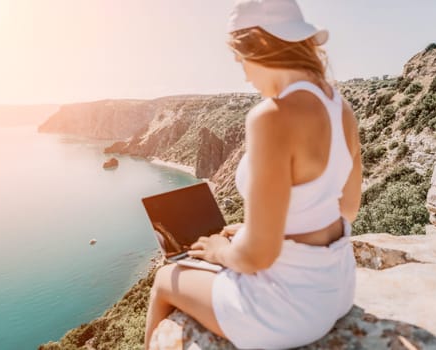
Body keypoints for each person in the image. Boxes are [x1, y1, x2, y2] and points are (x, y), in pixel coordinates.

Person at [144, 0, 362, 348]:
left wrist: (219, 250)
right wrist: (259, 230)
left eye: (240, 60)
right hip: (337, 288)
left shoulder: (271, 117)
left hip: (287, 311)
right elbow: (345, 209)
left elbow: (257, 257)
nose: (244, 74)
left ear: (259, 46)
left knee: (166, 277)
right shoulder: (340, 107)